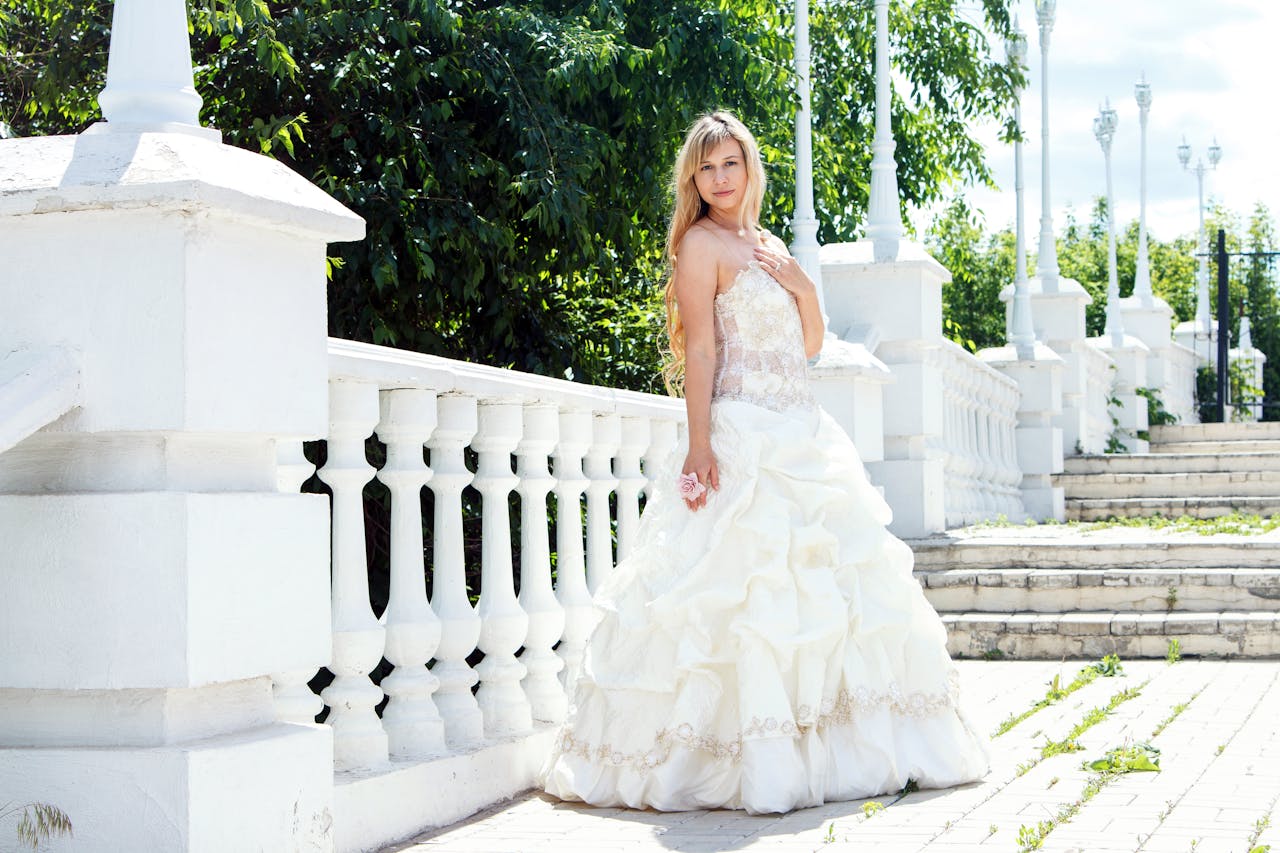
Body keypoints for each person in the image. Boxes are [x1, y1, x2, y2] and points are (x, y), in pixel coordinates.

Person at [541, 111, 988, 815]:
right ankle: (732, 757)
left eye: (731, 164)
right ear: (694, 178)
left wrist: (805, 288)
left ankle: (833, 746)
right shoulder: (700, 246)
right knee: (744, 602)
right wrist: (699, 444)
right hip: (743, 433)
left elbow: (808, 346)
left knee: (830, 598)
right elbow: (700, 350)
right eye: (706, 168)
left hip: (801, 434)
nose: (720, 179)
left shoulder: (770, 243)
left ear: (750, 168)